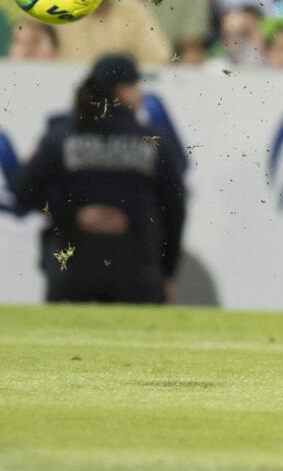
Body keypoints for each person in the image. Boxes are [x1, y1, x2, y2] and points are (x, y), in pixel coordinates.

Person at [13, 55, 185, 304]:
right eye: (136, 86)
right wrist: (167, 273)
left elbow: (22, 190)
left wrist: (74, 214)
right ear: (123, 91)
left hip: (71, 266)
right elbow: (175, 212)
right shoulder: (153, 142)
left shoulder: (60, 137)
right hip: (135, 270)